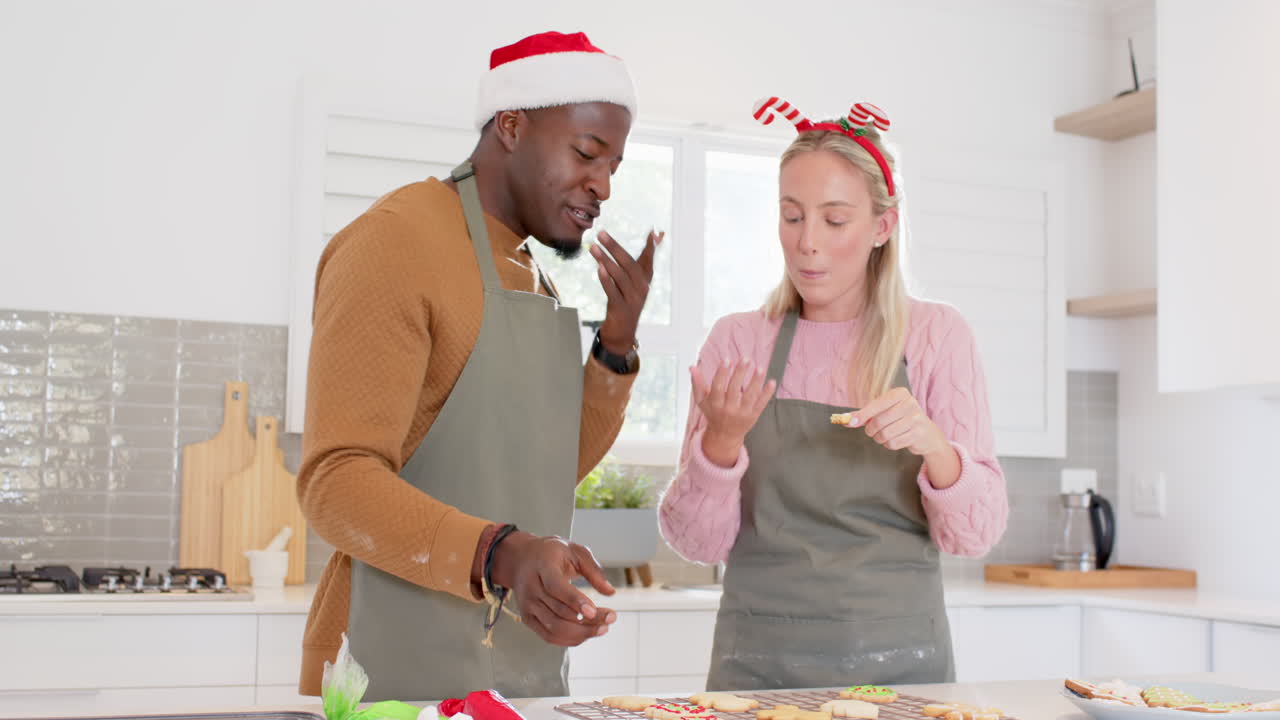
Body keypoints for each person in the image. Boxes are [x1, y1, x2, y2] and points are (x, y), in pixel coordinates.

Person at [297, 31, 664, 701]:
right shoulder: (396, 242)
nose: (603, 185)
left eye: (614, 164)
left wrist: (615, 345)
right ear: (512, 126)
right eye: (586, 152)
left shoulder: (528, 274)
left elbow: (546, 468)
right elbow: (335, 483)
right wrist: (500, 553)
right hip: (392, 676)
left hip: (512, 668)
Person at [659, 97, 1009, 690]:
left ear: (882, 226)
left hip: (900, 667)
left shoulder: (935, 335)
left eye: (834, 219)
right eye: (791, 216)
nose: (807, 243)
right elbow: (697, 544)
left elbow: (974, 536)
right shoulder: (737, 341)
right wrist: (720, 444)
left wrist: (937, 448)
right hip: (759, 667)